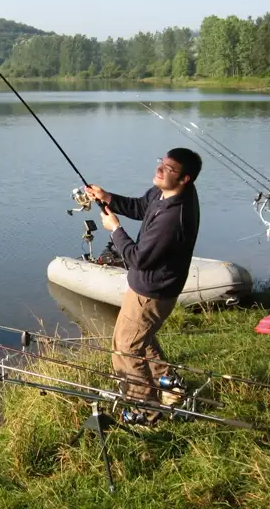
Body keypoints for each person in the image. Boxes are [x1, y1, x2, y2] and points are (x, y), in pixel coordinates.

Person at [85, 147, 202, 424]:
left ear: (185, 179)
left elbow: (138, 258)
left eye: (169, 169)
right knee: (141, 339)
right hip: (147, 288)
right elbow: (140, 207)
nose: (160, 169)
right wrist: (108, 198)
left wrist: (115, 229)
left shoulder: (174, 217)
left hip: (151, 292)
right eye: (161, 162)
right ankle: (170, 385)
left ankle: (146, 411)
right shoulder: (164, 192)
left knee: (125, 349)